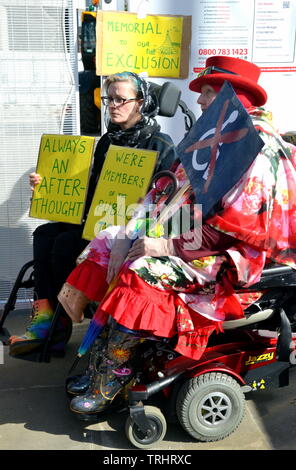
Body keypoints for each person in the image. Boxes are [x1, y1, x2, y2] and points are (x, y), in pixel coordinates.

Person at [59, 55, 296, 415]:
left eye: (209, 91)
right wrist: (132, 232)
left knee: (143, 271)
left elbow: (232, 231)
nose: (199, 99)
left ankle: (114, 379)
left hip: (231, 260)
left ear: (234, 97)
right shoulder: (215, 137)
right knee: (108, 243)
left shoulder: (255, 150)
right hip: (187, 235)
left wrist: (164, 244)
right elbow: (163, 192)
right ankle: (100, 366)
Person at [9, 71, 178, 357]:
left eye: (120, 99)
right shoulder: (108, 141)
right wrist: (48, 185)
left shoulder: (161, 146)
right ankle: (45, 317)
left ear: (141, 102)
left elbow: (165, 206)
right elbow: (94, 191)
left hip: (130, 231)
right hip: (99, 219)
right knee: (44, 233)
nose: (112, 105)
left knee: (64, 245)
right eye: (108, 99)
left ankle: (58, 328)